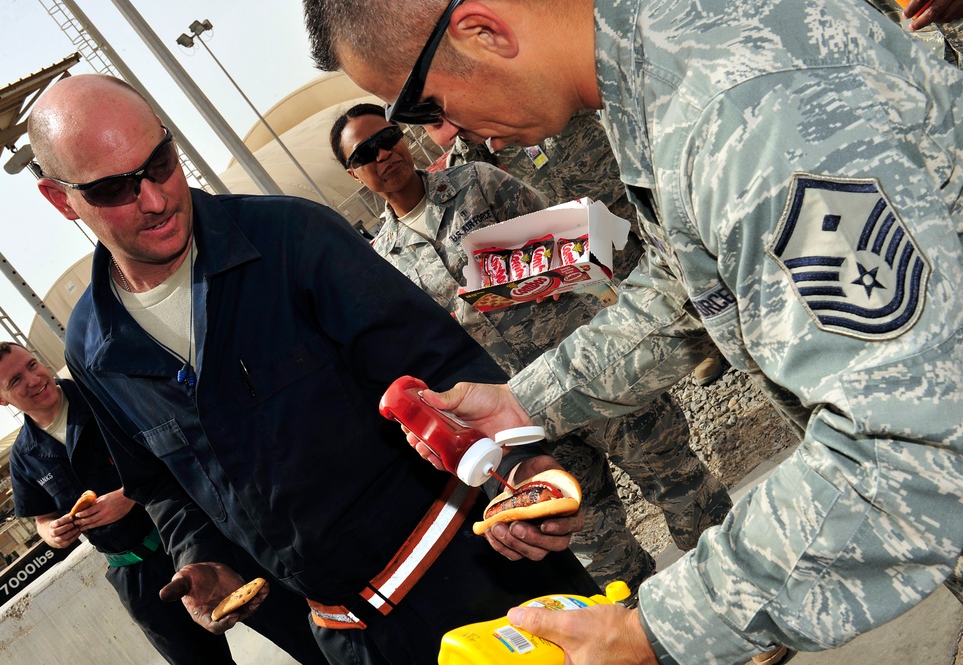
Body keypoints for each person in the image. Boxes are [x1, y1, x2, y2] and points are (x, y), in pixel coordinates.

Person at [304, 1, 963, 664]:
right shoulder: (662, 77)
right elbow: (681, 291)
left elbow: (904, 448)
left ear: (481, 31)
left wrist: (661, 629)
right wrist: (518, 403)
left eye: (424, 109)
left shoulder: (736, 111)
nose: (443, 138)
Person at [28, 73, 600, 665]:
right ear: (60, 198)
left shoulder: (291, 240)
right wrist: (199, 555)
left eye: (162, 162)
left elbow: (441, 369)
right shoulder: (93, 348)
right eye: (115, 188)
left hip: (486, 582)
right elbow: (163, 486)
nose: (155, 198)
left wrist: (521, 467)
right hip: (350, 642)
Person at [331, 102, 733, 592]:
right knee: (591, 537)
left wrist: (519, 269)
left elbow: (565, 236)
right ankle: (644, 636)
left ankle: (736, 594)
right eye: (366, 153)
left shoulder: (474, 181)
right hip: (514, 416)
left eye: (388, 137)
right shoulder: (382, 263)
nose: (384, 154)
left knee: (677, 481)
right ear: (354, 173)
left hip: (583, 364)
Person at [0, 342, 328, 665]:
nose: (34, 379)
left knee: (301, 632)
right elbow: (41, 519)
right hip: (140, 580)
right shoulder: (24, 456)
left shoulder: (105, 393)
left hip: (205, 540)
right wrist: (52, 533)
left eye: (33, 365)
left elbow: (179, 444)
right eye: (15, 380)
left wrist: (130, 494)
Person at [430, 109, 728, 385]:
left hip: (613, 181)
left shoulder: (517, 80)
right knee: (639, 279)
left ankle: (727, 310)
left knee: (678, 252)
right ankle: (702, 343)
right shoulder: (472, 140)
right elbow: (471, 170)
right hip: (577, 214)